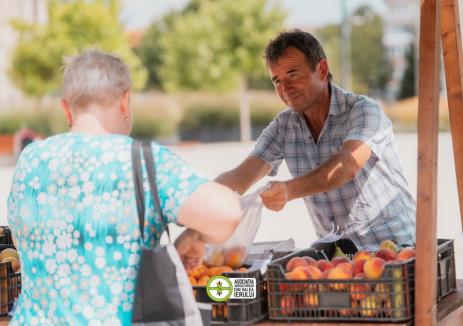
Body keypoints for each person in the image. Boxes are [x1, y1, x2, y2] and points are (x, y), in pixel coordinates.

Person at [7, 49, 241, 325]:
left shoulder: (31, 158)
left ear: (66, 108)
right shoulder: (141, 161)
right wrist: (195, 236)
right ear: (125, 102)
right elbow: (227, 215)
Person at [216, 29, 416, 250]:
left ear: (321, 69)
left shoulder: (364, 110)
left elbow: (346, 165)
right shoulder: (284, 126)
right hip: (341, 262)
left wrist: (289, 190)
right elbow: (242, 175)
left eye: (293, 74)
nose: (285, 88)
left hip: (399, 252)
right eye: (277, 81)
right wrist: (192, 197)